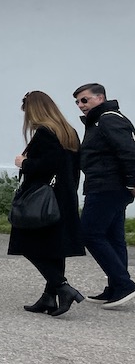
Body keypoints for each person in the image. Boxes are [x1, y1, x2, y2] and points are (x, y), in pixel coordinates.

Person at [9, 91, 86, 315]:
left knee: (26, 243)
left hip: (42, 199)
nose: (28, 119)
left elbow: (45, 166)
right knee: (55, 248)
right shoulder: (68, 131)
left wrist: (24, 163)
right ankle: (48, 298)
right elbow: (71, 168)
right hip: (63, 198)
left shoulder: (45, 133)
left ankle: (63, 288)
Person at [73, 82, 135, 307]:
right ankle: (116, 287)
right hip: (107, 185)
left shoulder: (109, 119)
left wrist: (132, 181)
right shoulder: (99, 121)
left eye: (84, 100)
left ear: (100, 98)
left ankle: (124, 284)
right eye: (78, 102)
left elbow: (128, 151)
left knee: (90, 233)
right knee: (112, 236)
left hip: (108, 186)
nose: (80, 105)